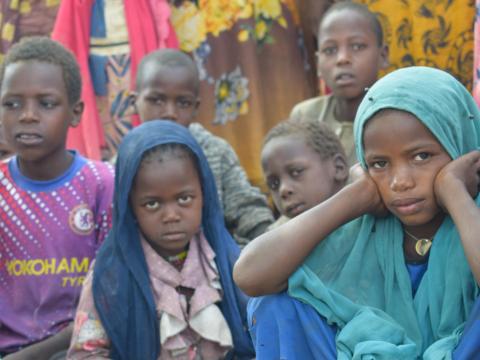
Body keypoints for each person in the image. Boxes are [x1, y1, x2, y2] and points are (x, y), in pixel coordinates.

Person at [233, 66, 480, 359]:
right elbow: (250, 275)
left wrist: (454, 191)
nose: (400, 181)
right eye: (379, 163)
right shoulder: (367, 228)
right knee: (277, 305)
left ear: (462, 146)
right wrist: (354, 196)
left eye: (421, 156)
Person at [68, 120, 254, 359]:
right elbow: (86, 352)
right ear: (130, 206)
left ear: (204, 196)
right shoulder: (111, 274)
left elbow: (260, 330)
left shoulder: (224, 262)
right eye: (152, 204)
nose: (171, 215)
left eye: (185, 198)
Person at [0, 37, 114, 359]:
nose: (28, 116)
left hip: (83, 348)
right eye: (12, 104)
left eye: (46, 103)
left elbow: (110, 298)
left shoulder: (101, 185)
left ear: (75, 112)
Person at [129, 48, 274, 246]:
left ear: (196, 108)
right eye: (157, 100)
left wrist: (263, 245)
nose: (170, 113)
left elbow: (248, 209)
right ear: (134, 102)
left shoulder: (215, 151)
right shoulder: (125, 162)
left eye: (183, 103)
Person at [291, 1, 389, 166]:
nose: (342, 58)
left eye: (357, 46)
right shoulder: (305, 117)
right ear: (318, 64)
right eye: (330, 50)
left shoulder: (394, 119)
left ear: (383, 56)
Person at [261, 117, 348, 229]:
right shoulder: (277, 239)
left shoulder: (368, 225)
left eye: (296, 172)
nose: (283, 190)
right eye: (274, 184)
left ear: (338, 167)